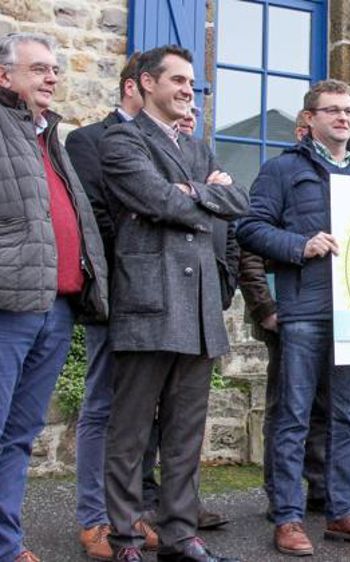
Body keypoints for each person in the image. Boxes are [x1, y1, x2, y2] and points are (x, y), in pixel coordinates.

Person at [100, 45, 247, 562]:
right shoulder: (121, 139)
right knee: (131, 431)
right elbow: (155, 199)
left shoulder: (199, 148)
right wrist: (201, 194)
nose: (189, 90)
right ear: (144, 84)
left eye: (192, 83)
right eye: (178, 80)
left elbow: (239, 203)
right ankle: (125, 536)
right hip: (149, 302)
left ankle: (180, 534)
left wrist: (191, 192)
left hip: (201, 309)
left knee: (186, 433)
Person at [237, 79, 350, 556]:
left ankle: (343, 511)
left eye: (349, 110)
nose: (344, 118)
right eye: (332, 111)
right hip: (304, 309)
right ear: (310, 120)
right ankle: (287, 517)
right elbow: (249, 227)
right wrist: (299, 246)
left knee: (346, 419)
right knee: (293, 417)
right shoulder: (282, 169)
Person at [0, 32, 108, 562]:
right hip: (8, 305)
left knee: (19, 435)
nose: (52, 77)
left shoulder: (47, 137)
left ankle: (5, 544)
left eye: (56, 69)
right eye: (39, 68)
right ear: (5, 76)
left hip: (56, 306)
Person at [64, 52, 160, 561]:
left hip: (160, 301)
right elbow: (98, 218)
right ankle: (93, 519)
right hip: (116, 294)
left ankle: (127, 514)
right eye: (169, 82)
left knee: (138, 412)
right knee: (101, 407)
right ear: (134, 87)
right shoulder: (86, 141)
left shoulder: (167, 141)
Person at [239, 110, 333, 522]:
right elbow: (250, 252)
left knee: (324, 408)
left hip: (326, 308)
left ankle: (321, 487)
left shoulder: (336, 182)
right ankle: (281, 495)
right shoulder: (278, 175)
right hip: (286, 311)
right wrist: (266, 308)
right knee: (285, 410)